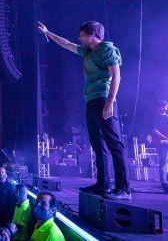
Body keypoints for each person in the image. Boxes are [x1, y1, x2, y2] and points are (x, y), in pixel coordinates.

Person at [38, 21, 130, 200]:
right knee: (97, 144)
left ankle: (123, 188)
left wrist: (110, 102)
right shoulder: (87, 51)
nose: (79, 38)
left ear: (92, 35)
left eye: (82, 35)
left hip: (105, 98)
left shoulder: (107, 50)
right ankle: (102, 185)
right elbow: (65, 44)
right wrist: (48, 33)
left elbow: (116, 76)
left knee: (114, 143)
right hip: (91, 100)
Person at [148, 99, 168, 193]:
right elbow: (154, 130)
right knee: (163, 163)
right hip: (162, 143)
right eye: (162, 106)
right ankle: (164, 184)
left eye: (166, 106)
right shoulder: (154, 117)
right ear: (157, 107)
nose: (165, 108)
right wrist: (165, 138)